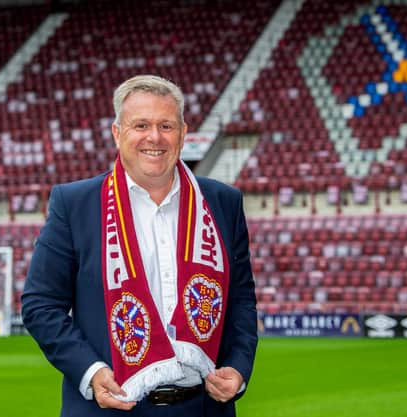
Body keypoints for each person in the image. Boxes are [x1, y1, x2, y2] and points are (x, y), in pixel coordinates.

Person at [21, 74, 258, 417]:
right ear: (118, 133)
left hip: (205, 408)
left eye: (166, 125)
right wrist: (91, 372)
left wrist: (237, 367)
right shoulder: (75, 203)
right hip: (109, 406)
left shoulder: (223, 202)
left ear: (183, 133)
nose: (155, 137)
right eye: (141, 125)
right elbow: (40, 304)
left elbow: (241, 300)